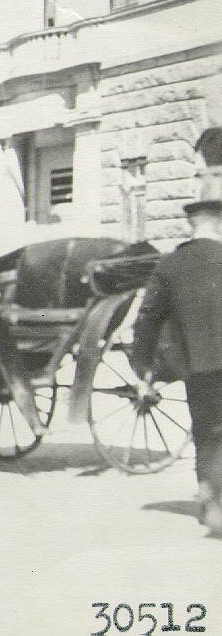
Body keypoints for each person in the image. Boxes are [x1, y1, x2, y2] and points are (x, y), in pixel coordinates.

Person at [131, 158, 222, 538]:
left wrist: (142, 368)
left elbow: (147, 319)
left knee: (206, 432)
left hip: (198, 366)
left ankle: (210, 495)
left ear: (192, 224)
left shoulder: (170, 264)